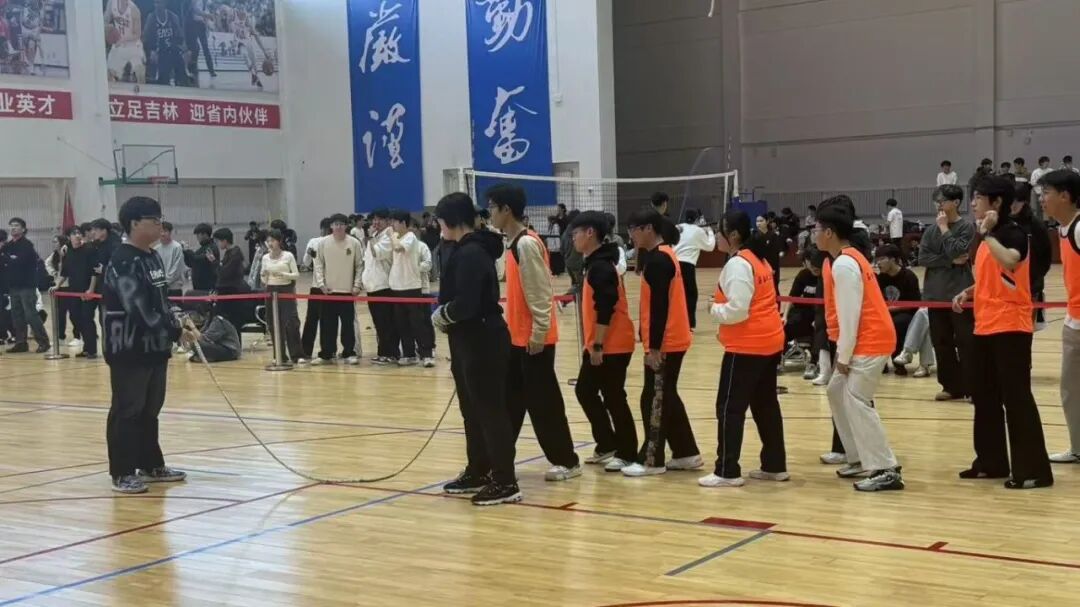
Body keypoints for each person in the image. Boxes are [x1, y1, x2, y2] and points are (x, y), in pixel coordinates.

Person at [952, 175, 1052, 489]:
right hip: (985, 324)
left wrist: (986, 235)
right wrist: (969, 291)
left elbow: (1010, 261)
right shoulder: (987, 237)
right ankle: (990, 462)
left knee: (1016, 398)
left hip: (1011, 326)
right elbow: (993, 276)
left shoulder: (1013, 232)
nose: (972, 203)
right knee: (984, 396)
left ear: (996, 202)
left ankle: (1033, 471)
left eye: (978, 198)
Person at [102, 196, 196, 494]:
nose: (159, 225)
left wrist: (179, 319)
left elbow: (161, 301)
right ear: (134, 223)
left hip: (155, 346)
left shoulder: (152, 257)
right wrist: (174, 329)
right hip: (128, 348)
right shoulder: (123, 261)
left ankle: (150, 464)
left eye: (160, 219)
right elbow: (138, 309)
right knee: (127, 409)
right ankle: (122, 472)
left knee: (150, 409)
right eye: (153, 220)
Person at [487, 183, 581, 481]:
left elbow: (540, 293)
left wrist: (539, 333)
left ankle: (567, 461)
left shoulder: (526, 244)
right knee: (511, 402)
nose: (490, 213)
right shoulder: (512, 243)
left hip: (533, 340)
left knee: (544, 404)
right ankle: (498, 460)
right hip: (516, 338)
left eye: (492, 207)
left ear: (506, 209)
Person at [431, 193, 519, 506]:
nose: (439, 227)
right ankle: (479, 469)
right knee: (472, 410)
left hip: (483, 340)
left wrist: (443, 314)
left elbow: (467, 303)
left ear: (451, 221)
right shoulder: (461, 249)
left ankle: (505, 480)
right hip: (467, 340)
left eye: (441, 221)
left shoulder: (471, 253)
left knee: (490, 411)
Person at [698, 208, 788, 488]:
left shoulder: (738, 265)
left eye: (720, 232)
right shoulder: (759, 259)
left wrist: (712, 308)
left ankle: (727, 470)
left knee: (729, 408)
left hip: (747, 345)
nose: (716, 237)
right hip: (769, 340)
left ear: (733, 235)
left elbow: (737, 310)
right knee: (765, 405)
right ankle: (774, 465)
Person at [818, 201, 903, 492]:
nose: (813, 234)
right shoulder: (850, 257)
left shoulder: (844, 264)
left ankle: (886, 468)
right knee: (836, 391)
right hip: (867, 338)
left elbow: (850, 315)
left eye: (816, 229)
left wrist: (843, 356)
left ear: (829, 233)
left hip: (870, 340)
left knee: (857, 400)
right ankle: (856, 456)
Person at [621, 208, 702, 477]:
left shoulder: (659, 261)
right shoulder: (663, 255)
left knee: (654, 399)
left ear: (648, 229)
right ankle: (686, 452)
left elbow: (659, 308)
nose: (631, 235)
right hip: (672, 338)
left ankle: (652, 459)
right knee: (667, 396)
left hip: (666, 342)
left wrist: (654, 347)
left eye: (634, 229)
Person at [569, 211, 638, 471]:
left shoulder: (600, 267)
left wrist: (598, 345)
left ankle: (627, 452)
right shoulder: (595, 263)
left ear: (590, 233)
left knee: (613, 396)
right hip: (601, 343)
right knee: (586, 391)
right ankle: (607, 443)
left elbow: (606, 307)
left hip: (612, 345)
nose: (573, 238)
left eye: (576, 233)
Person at [918, 184, 975, 401]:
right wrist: (949, 261)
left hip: (960, 293)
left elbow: (958, 250)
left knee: (966, 342)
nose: (938, 205)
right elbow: (923, 258)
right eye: (937, 202)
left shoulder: (966, 227)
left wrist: (944, 228)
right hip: (935, 294)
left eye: (942, 201)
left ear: (956, 202)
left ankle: (972, 386)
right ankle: (950, 386)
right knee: (941, 343)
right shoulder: (929, 231)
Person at [1039, 170, 1080, 463]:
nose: (1042, 199)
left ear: (1065, 196)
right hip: (1073, 322)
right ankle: (1078, 448)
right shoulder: (1065, 229)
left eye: (1046, 193)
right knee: (1071, 391)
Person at [312, 214, 362, 365]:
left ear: (346, 226)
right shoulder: (323, 243)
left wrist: (357, 285)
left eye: (341, 224)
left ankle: (349, 353)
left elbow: (359, 265)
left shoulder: (354, 243)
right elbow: (318, 264)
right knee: (327, 324)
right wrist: (321, 284)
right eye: (336, 224)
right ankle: (326, 354)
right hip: (328, 291)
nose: (338, 227)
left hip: (347, 291)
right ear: (331, 226)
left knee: (348, 325)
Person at [389, 211, 434, 367]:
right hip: (397, 286)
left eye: (394, 222)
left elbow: (398, 248)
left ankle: (427, 354)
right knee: (402, 323)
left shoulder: (410, 237)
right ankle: (409, 354)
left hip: (411, 286)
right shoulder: (396, 237)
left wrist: (392, 235)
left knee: (418, 323)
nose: (392, 225)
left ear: (403, 223)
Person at [1, 217, 49, 353]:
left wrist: (7, 258)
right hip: (13, 286)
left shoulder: (27, 245)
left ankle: (43, 342)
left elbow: (18, 263)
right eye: (11, 225)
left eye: (16, 225)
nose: (13, 228)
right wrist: (7, 258)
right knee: (17, 316)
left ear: (23, 229)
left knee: (30, 314)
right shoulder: (9, 245)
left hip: (26, 286)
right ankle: (21, 343)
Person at [873, 244, 921, 376]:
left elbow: (915, 303)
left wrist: (892, 309)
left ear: (893, 260)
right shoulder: (880, 278)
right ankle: (880, 362)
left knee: (896, 324)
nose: (878, 263)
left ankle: (898, 361)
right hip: (886, 313)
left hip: (907, 313)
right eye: (877, 260)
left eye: (881, 259)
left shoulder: (909, 276)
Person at [1010, 183, 1051, 331]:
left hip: (1030, 286)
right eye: (1010, 200)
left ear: (1025, 202)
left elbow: (1045, 257)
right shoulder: (1003, 222)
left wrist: (1034, 279)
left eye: (1018, 201)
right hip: (1006, 287)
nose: (1013, 205)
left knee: (1025, 331)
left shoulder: (1036, 225)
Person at [261, 228, 304, 364]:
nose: (270, 243)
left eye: (273, 240)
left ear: (279, 241)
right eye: (268, 241)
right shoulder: (265, 258)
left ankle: (297, 355)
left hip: (286, 289)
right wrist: (264, 275)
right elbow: (263, 279)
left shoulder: (288, 256)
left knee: (291, 322)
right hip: (270, 290)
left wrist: (283, 275)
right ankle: (279, 355)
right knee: (273, 323)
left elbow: (296, 275)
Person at [362, 209, 399, 364]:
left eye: (379, 219)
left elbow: (377, 253)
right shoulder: (376, 236)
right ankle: (383, 352)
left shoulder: (389, 236)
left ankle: (391, 353)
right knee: (378, 322)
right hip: (372, 286)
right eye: (374, 219)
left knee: (386, 322)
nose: (376, 222)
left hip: (384, 285)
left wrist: (370, 237)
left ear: (387, 221)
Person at [59, 226, 99, 359]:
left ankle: (91, 350)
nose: (77, 236)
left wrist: (91, 289)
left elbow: (94, 271)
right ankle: (86, 347)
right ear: (69, 237)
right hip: (73, 290)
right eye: (74, 233)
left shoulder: (89, 249)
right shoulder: (68, 252)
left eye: (79, 233)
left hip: (87, 290)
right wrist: (57, 285)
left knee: (87, 318)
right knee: (76, 318)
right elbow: (65, 272)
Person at [673, 209, 717, 330]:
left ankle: (674, 322)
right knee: (691, 295)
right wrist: (709, 231)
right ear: (697, 219)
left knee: (674, 294)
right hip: (687, 265)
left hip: (673, 263)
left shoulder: (677, 227)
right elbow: (710, 247)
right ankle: (689, 324)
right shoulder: (698, 231)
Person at [785, 248, 824, 379]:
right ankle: (779, 357)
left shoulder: (825, 276)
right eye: (809, 262)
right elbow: (791, 298)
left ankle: (813, 363)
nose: (813, 266)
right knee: (782, 325)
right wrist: (784, 317)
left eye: (815, 262)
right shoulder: (803, 275)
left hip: (820, 315)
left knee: (818, 328)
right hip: (803, 314)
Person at [301, 217, 331, 359]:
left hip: (330, 286)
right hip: (316, 286)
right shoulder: (313, 241)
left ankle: (327, 351)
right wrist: (308, 253)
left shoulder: (334, 242)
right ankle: (306, 350)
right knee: (312, 319)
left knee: (326, 320)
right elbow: (305, 263)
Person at [142, 0, 188, 86]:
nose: (157, 5)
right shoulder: (151, 17)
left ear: (165, 3)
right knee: (163, 79)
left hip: (173, 50)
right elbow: (145, 37)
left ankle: (182, 82)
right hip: (159, 52)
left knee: (182, 76)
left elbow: (180, 36)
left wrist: (185, 51)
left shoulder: (173, 17)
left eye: (159, 2)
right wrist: (151, 51)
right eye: (155, 3)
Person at [212, 228, 247, 332]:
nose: (217, 244)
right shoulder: (229, 253)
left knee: (233, 322)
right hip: (227, 291)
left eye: (218, 241)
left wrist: (215, 262)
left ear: (225, 241)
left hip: (232, 291)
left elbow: (225, 273)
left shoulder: (234, 254)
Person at [105, 0, 146, 83]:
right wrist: (107, 28)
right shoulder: (111, 3)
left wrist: (123, 39)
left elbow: (137, 34)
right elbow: (105, 20)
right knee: (109, 75)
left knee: (140, 74)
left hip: (133, 45)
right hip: (118, 45)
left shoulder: (134, 10)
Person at [183, 0, 216, 81]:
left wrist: (207, 24)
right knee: (194, 48)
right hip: (193, 24)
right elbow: (195, 10)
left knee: (205, 48)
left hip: (202, 25)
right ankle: (193, 67)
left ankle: (211, 70)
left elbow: (206, 15)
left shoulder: (207, 3)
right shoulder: (197, 1)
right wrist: (207, 15)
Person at [153, 221, 185, 297]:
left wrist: (165, 283)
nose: (162, 234)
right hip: (160, 288)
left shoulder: (177, 247)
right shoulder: (156, 249)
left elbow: (177, 269)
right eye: (160, 231)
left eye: (165, 231)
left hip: (174, 288)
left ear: (170, 232)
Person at [754, 215, 783, 296]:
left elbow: (774, 254)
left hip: (771, 267)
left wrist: (772, 268)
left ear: (767, 222)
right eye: (757, 221)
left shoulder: (773, 236)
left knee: (774, 288)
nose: (758, 223)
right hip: (758, 268)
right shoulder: (754, 237)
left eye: (761, 221)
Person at [183, 223, 217, 291]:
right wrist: (185, 253)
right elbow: (191, 263)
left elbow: (197, 260)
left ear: (205, 234)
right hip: (199, 287)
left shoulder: (212, 248)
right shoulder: (201, 249)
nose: (197, 237)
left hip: (208, 287)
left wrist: (187, 250)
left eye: (198, 234)